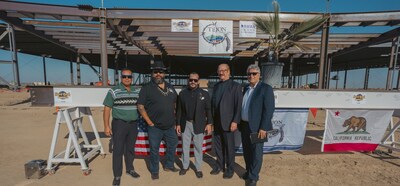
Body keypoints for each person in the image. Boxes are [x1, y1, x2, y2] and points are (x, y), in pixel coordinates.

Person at [137, 60, 179, 180]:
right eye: (155, 72)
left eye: (160, 71)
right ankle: (155, 171)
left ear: (164, 73)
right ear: (152, 73)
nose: (158, 74)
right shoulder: (146, 88)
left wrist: (175, 119)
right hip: (155, 127)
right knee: (154, 149)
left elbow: (175, 102)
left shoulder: (170, 87)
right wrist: (149, 122)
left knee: (173, 145)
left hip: (170, 126)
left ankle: (169, 165)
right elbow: (140, 106)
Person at [103, 69, 141, 186]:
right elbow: (107, 109)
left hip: (133, 124)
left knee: (130, 149)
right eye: (124, 76)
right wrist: (106, 126)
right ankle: (117, 176)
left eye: (129, 77)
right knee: (118, 150)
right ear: (121, 77)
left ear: (132, 78)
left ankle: (130, 169)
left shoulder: (137, 91)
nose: (127, 78)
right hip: (119, 124)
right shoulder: (114, 91)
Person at [240, 64, 275, 186]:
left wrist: (264, 127)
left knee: (256, 153)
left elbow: (269, 110)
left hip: (258, 127)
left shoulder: (266, 88)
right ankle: (249, 171)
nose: (251, 76)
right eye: (249, 74)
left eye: (254, 73)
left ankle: (254, 177)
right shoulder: (245, 88)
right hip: (244, 125)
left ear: (259, 75)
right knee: (247, 151)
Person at [176, 72, 213, 178]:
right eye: (191, 80)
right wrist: (178, 123)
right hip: (185, 124)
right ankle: (185, 166)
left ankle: (198, 168)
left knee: (198, 147)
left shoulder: (204, 94)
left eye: (195, 80)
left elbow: (208, 110)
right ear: (188, 80)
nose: (192, 82)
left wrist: (209, 123)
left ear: (198, 81)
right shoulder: (182, 94)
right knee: (185, 147)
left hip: (199, 124)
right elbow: (179, 110)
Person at [210, 63, 243, 179]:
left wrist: (235, 121)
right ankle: (219, 166)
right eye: (219, 71)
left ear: (228, 72)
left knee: (229, 147)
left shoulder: (236, 86)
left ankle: (230, 169)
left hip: (229, 123)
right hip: (217, 122)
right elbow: (213, 104)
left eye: (224, 70)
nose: (221, 73)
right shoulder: (216, 86)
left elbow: (238, 106)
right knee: (218, 147)